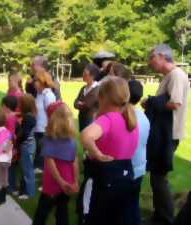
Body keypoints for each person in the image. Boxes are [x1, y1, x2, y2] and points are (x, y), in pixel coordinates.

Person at [80, 77, 139, 225]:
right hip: (126, 178)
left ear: (103, 98)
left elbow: (86, 135)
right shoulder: (131, 120)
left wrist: (97, 154)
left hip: (104, 179)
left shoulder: (108, 119)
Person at [143, 44, 189, 225]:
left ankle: (165, 218)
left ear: (162, 56)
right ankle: (160, 215)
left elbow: (175, 103)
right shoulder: (168, 76)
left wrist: (150, 102)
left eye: (151, 57)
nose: (149, 62)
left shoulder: (176, 75)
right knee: (156, 177)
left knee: (159, 178)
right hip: (162, 133)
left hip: (168, 134)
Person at [32, 103, 79, 225]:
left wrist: (61, 182)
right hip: (68, 182)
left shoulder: (48, 140)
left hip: (53, 184)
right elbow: (74, 161)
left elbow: (50, 164)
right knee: (62, 210)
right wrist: (75, 181)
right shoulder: (72, 141)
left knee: (42, 212)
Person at [127, 80, 150, 225]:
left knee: (122, 206)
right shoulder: (144, 117)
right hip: (139, 167)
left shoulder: (125, 118)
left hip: (127, 169)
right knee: (132, 205)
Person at [33, 69, 56, 172]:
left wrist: (49, 129)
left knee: (43, 149)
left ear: (42, 81)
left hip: (44, 128)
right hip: (38, 127)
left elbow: (51, 114)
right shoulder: (39, 94)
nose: (34, 84)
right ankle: (39, 166)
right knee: (39, 148)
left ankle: (42, 168)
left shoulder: (48, 95)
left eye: (36, 81)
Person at [16, 94, 37, 200]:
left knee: (28, 170)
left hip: (26, 146)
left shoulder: (27, 118)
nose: (18, 105)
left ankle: (30, 193)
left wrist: (16, 140)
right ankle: (23, 190)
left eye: (20, 103)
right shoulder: (30, 116)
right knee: (25, 169)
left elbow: (24, 135)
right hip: (29, 145)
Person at [1, 96, 19, 195]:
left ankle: (10, 187)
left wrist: (8, 148)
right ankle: (12, 185)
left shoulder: (9, 117)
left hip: (9, 145)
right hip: (10, 144)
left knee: (10, 167)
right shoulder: (11, 115)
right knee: (10, 167)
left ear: (6, 107)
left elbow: (11, 133)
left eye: (2, 105)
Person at [74, 64, 100, 132]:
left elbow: (88, 105)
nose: (83, 75)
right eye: (83, 72)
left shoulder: (97, 89)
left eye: (85, 73)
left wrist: (79, 103)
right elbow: (75, 103)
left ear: (92, 76)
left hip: (91, 119)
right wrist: (80, 103)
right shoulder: (83, 88)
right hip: (82, 118)